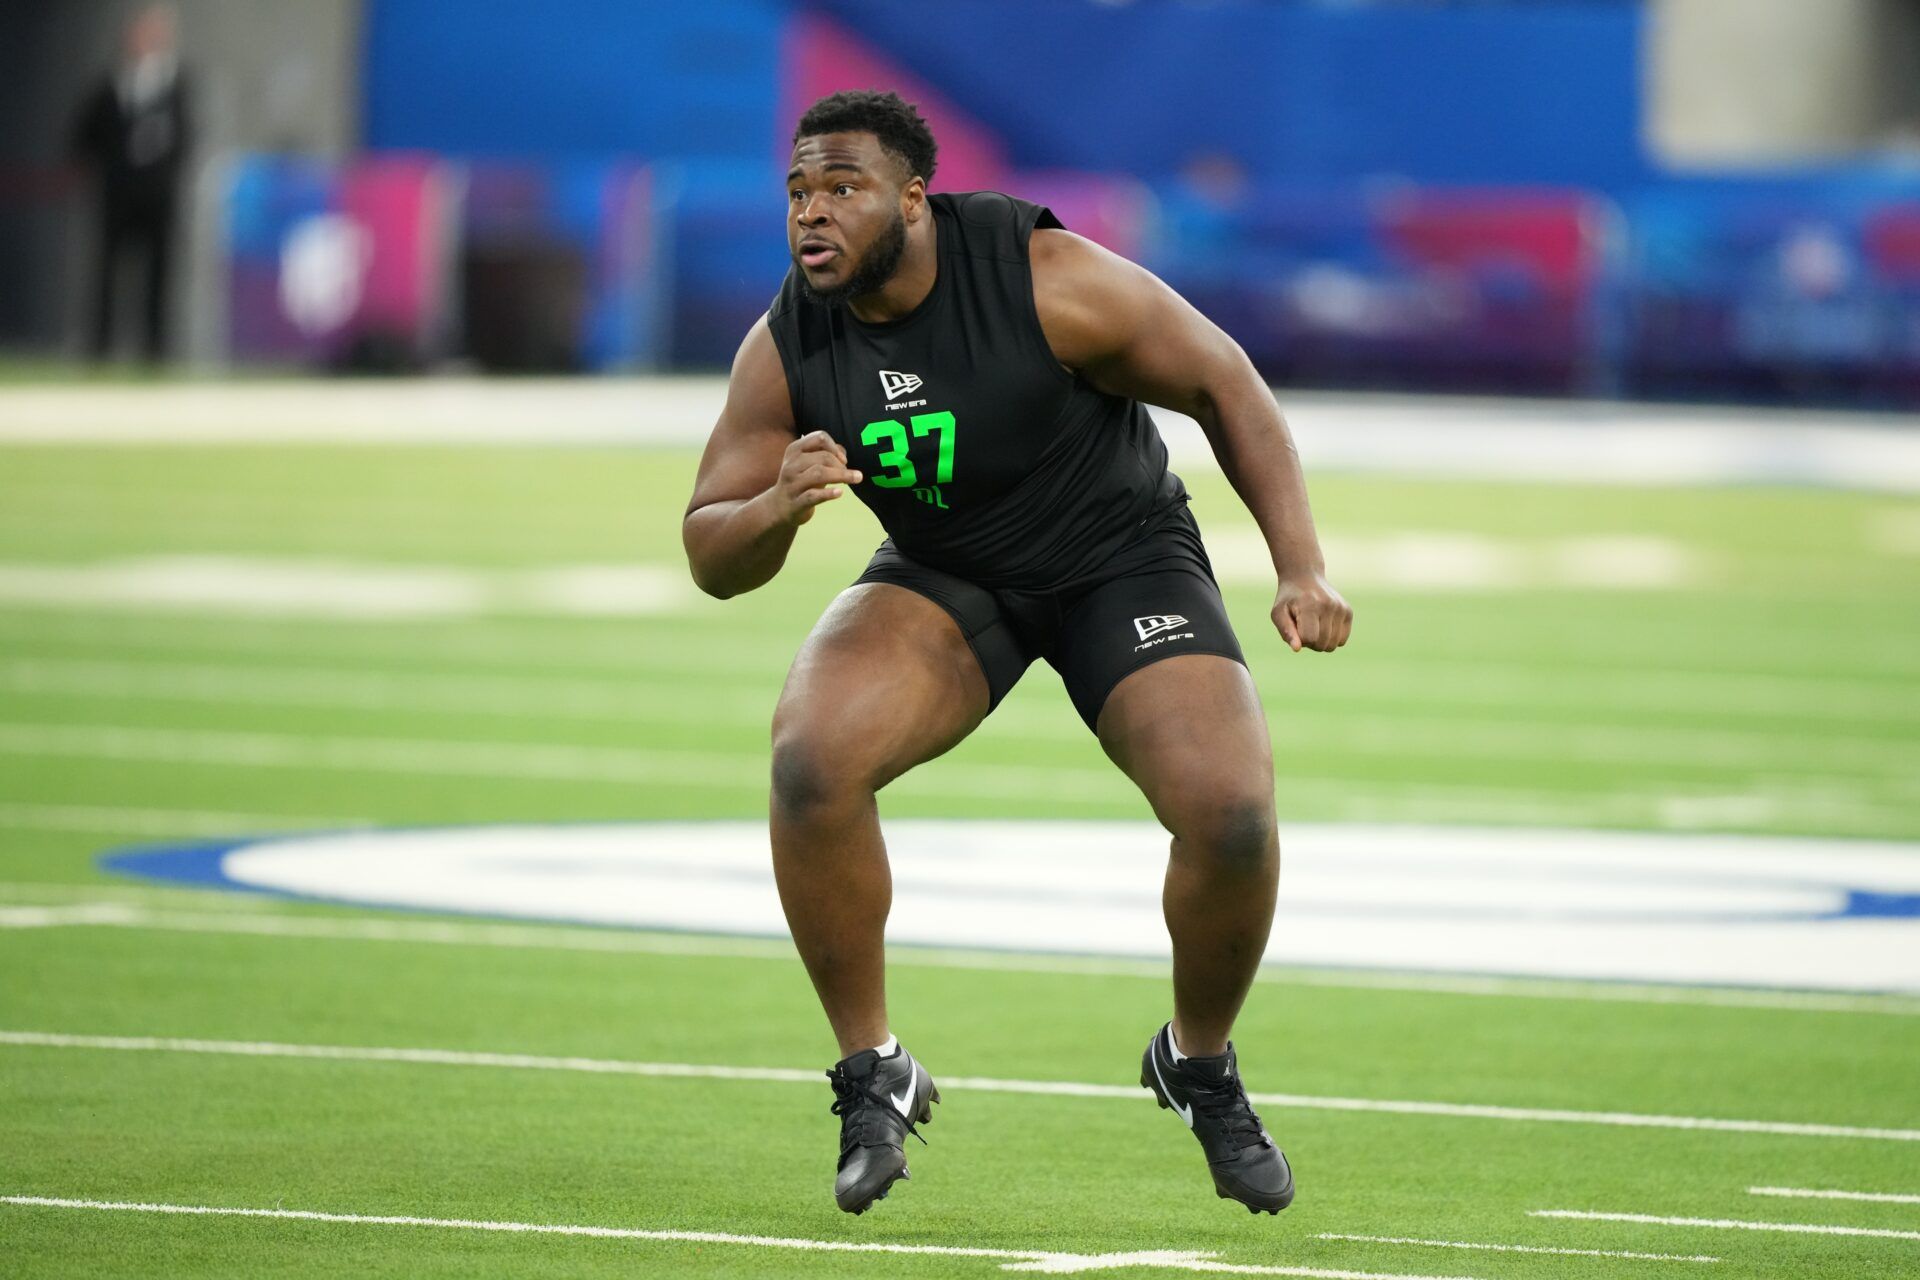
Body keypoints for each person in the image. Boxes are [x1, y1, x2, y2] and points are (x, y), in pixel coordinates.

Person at [682, 91, 1350, 1216]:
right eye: (799, 190)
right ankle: (871, 1070)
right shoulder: (792, 336)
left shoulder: (1043, 277)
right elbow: (710, 544)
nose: (812, 214)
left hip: (1117, 557)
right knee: (812, 756)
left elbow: (1222, 379)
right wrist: (776, 509)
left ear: (913, 199)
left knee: (1231, 809)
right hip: (951, 572)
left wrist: (1301, 563)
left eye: (842, 187)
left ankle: (1197, 1061)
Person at [71, 4, 192, 362]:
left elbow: (185, 138)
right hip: (117, 193)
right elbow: (85, 134)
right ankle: (100, 345)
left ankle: (154, 348)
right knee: (108, 270)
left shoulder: (176, 84)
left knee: (158, 272)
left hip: (157, 195)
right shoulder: (113, 83)